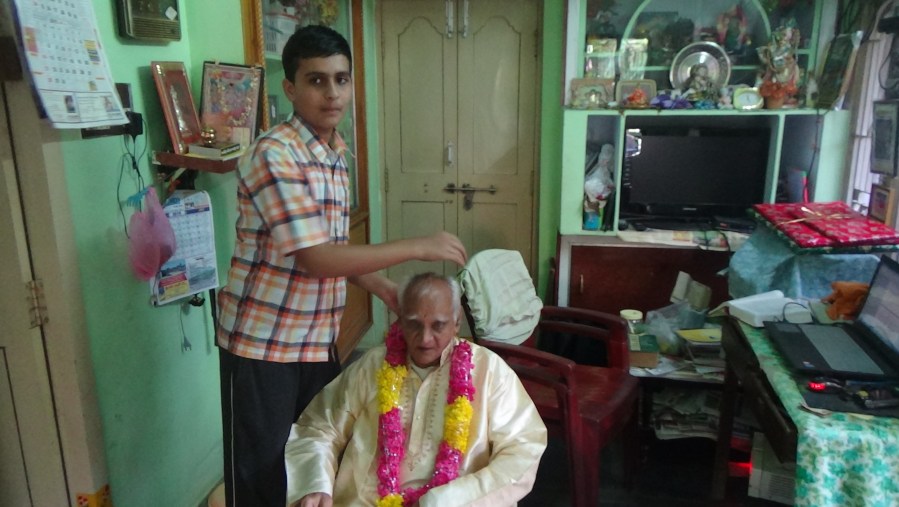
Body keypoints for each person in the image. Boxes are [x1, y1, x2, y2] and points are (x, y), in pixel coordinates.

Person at [216, 26, 468, 507]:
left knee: (313, 461)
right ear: (290, 88)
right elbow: (316, 259)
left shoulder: (334, 152)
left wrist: (381, 286)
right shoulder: (274, 154)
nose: (332, 93)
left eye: (341, 79)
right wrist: (416, 245)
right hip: (262, 348)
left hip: (316, 340)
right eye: (316, 80)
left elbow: (332, 247)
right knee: (261, 478)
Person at [285, 273, 548, 506]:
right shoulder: (373, 365)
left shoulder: (489, 371)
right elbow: (319, 428)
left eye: (438, 325)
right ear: (399, 321)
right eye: (413, 324)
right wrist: (315, 484)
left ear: (457, 322)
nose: (425, 339)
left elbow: (524, 448)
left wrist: (454, 498)